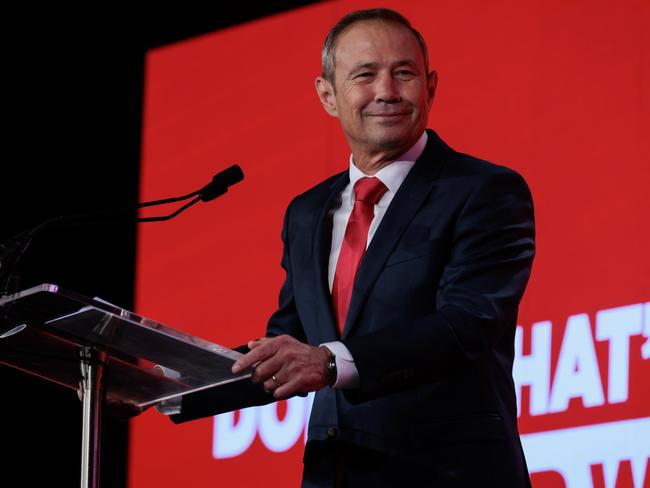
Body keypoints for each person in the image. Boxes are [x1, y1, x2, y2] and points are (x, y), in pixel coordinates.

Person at [165, 8, 535, 487]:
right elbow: (288, 344)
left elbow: (468, 324)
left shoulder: (482, 190)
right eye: (365, 74)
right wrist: (168, 385)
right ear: (327, 95)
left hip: (448, 472)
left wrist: (330, 361)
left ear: (431, 86)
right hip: (335, 471)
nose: (387, 90)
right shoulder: (307, 211)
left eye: (405, 73)